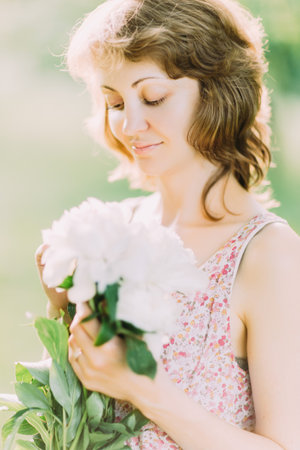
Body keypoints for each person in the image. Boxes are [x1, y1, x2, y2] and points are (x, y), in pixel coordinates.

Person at [36, 0, 300, 448]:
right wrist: (61, 307)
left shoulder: (268, 255)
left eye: (153, 97)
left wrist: (141, 386)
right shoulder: (110, 232)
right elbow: (68, 424)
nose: (131, 124)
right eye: (115, 102)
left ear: (217, 92)